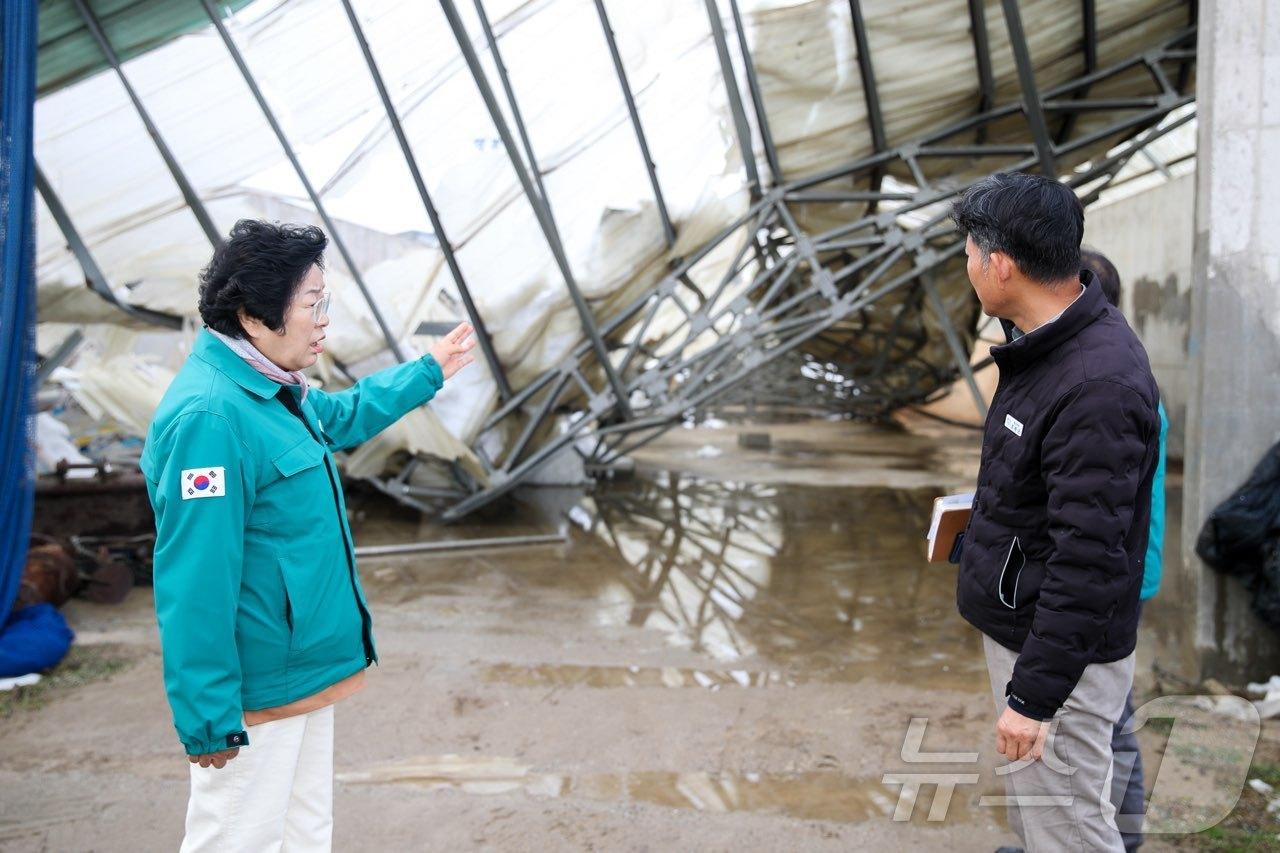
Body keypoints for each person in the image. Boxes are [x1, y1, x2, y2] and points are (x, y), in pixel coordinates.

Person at [140, 220, 475, 851]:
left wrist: (428, 371)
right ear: (253, 313)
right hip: (257, 686)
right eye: (311, 304)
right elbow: (195, 580)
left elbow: (341, 416)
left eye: (326, 301)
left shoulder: (271, 392)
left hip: (302, 672)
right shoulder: (211, 417)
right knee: (238, 838)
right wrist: (208, 716)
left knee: (303, 834)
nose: (324, 320)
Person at [950, 172, 1162, 852]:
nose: (967, 264)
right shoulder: (1048, 347)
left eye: (969, 251)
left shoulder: (1095, 380)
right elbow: (1049, 496)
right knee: (1046, 824)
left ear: (1001, 264)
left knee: (1072, 832)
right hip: (1028, 625)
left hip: (1056, 653)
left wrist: (1035, 696)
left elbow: (1089, 560)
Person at [1081, 248, 1169, 853]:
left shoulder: (1111, 383)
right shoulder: (1122, 366)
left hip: (1117, 574)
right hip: (1127, 568)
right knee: (1103, 713)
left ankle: (1124, 837)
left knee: (1106, 719)